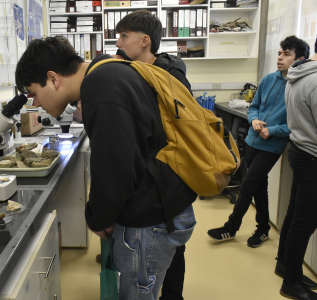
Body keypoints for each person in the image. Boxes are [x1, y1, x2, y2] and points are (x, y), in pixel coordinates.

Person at [15, 36, 197, 300]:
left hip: (151, 217)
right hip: (162, 204)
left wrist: (98, 218)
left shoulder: (101, 86)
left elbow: (116, 169)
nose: (36, 104)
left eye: (33, 93)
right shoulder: (106, 70)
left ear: (53, 78)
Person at [114, 10, 192, 300]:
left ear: (145, 41)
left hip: (169, 173)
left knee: (169, 241)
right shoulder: (138, 69)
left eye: (124, 36)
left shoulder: (166, 76)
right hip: (158, 176)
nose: (118, 43)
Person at [207, 36, 308, 248]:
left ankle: (230, 228)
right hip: (253, 141)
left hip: (272, 145)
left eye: (286, 54)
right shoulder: (268, 79)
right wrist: (253, 120)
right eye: (280, 53)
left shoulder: (299, 86)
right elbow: (253, 107)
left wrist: (273, 130)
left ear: (299, 59)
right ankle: (263, 229)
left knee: (247, 186)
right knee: (259, 187)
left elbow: (298, 123)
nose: (280, 57)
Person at [276, 38, 317, 300]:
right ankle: (291, 283)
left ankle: (285, 266)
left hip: (300, 151)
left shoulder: (298, 75)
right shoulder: (314, 80)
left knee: (294, 216)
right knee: (305, 222)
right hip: (312, 156)